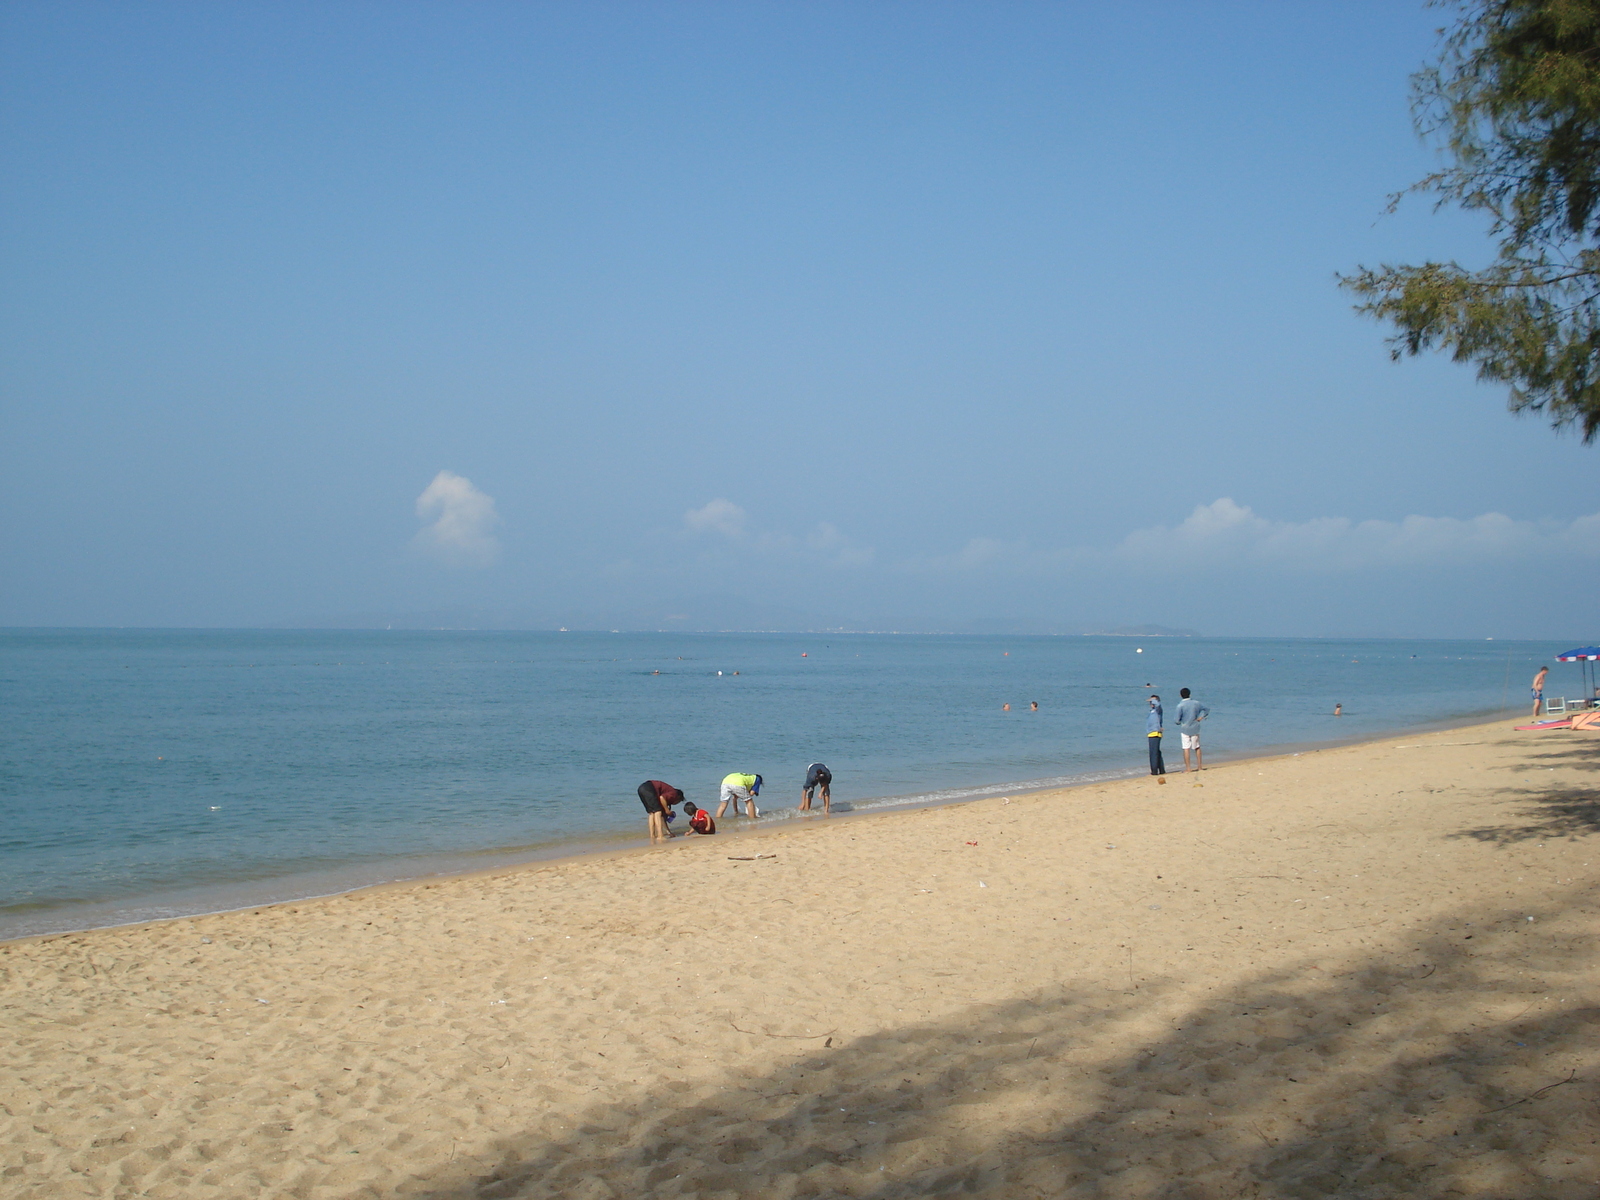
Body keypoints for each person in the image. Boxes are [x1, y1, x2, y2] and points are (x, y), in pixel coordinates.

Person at [1173, 687, 1209, 773]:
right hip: (1195, 727)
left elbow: (1176, 720)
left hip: (1185, 728)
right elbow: (1207, 709)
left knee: (1186, 748)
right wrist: (1202, 717)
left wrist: (1180, 722)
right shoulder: (1196, 703)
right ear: (1190, 694)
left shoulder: (1180, 705)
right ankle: (1200, 766)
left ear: (1180, 695)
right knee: (1197, 747)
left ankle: (1188, 768)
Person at [1146, 695, 1165, 778]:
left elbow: (1158, 705)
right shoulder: (1152, 711)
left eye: (1152, 702)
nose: (1151, 703)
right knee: (1156, 752)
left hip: (1155, 733)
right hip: (1151, 733)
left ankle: (1154, 771)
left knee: (1153, 753)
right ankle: (1161, 770)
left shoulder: (1158, 710)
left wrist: (1153, 700)